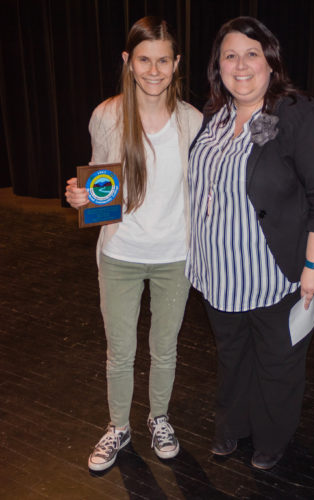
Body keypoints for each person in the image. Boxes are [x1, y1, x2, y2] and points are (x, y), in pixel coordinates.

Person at [186, 16, 314, 470]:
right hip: (218, 276)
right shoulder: (211, 118)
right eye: (230, 56)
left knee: (277, 366)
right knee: (233, 359)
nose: (241, 65)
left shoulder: (296, 114)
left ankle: (271, 440)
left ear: (271, 62)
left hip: (276, 276)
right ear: (217, 67)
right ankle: (231, 428)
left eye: (252, 54)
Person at [65, 16, 202, 472]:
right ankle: (118, 427)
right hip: (120, 254)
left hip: (174, 257)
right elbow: (98, 184)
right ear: (128, 60)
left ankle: (159, 418)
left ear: (176, 62)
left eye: (163, 60)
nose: (154, 70)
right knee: (120, 351)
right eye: (144, 59)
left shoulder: (193, 122)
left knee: (165, 348)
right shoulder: (106, 115)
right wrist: (78, 196)